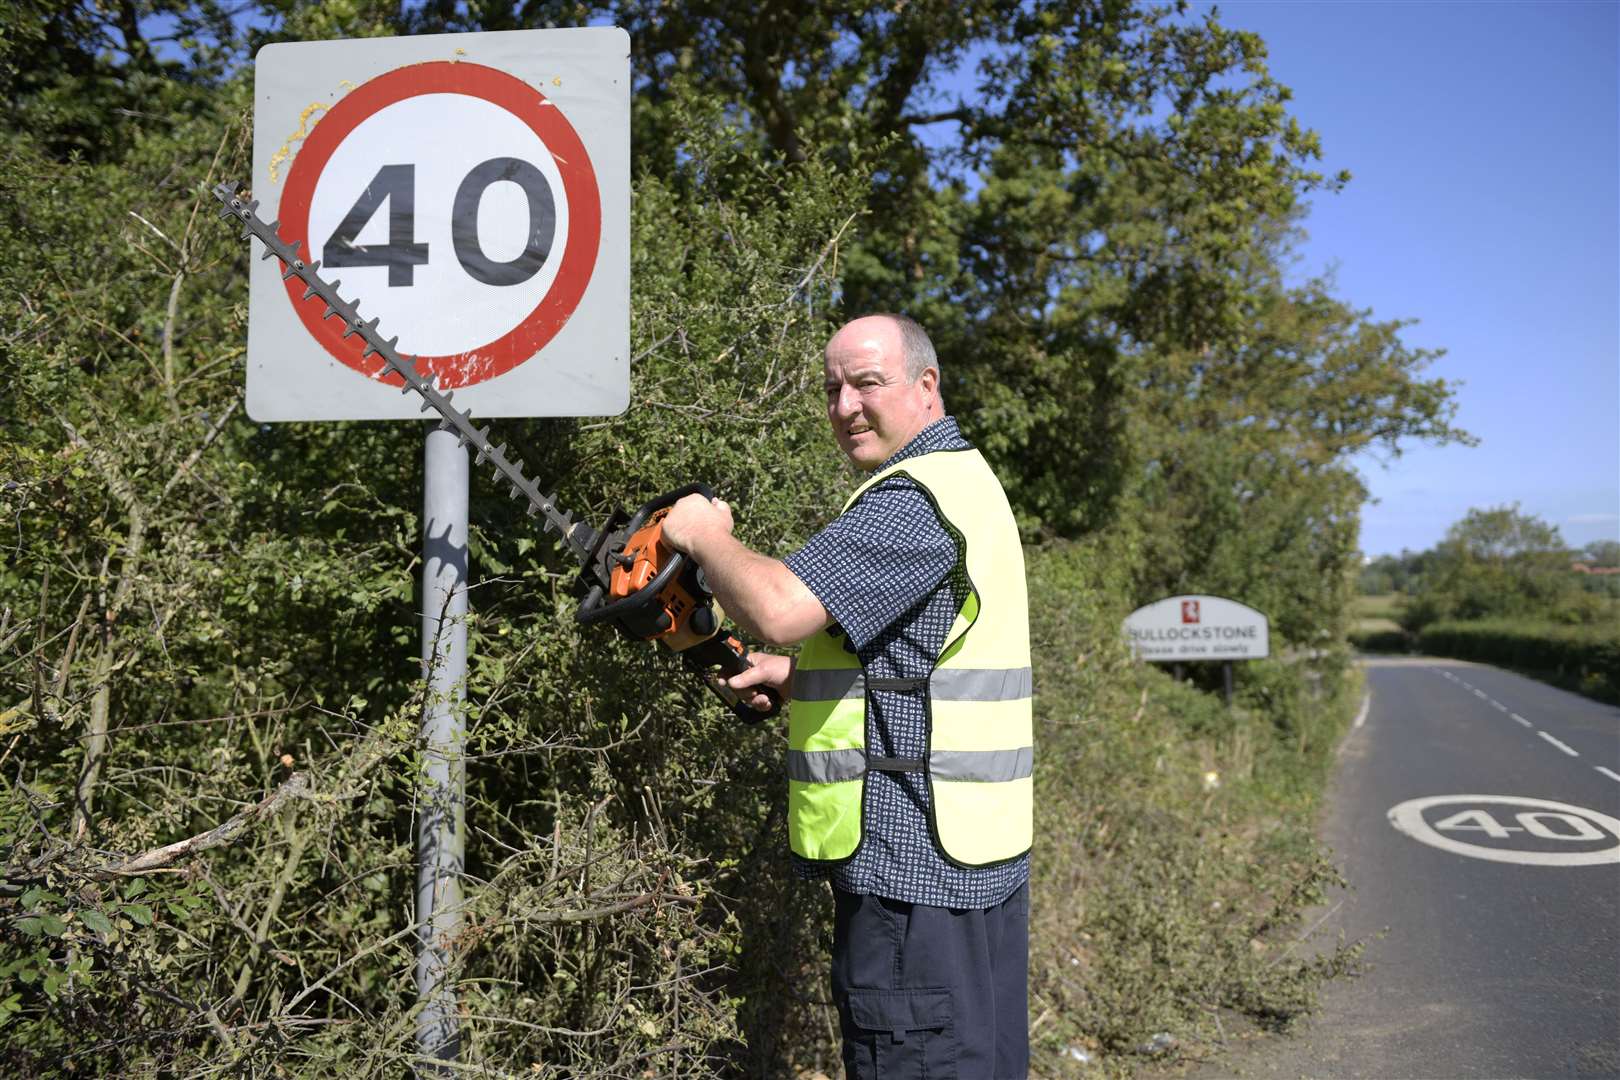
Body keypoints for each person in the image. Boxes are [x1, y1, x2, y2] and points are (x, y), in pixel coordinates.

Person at [661, 313, 1033, 1079]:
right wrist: (793, 680)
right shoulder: (968, 481)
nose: (844, 406)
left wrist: (701, 534)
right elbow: (924, 676)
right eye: (832, 389)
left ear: (925, 386)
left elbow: (779, 607)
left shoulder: (913, 500)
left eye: (867, 383)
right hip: (974, 872)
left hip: (912, 881)